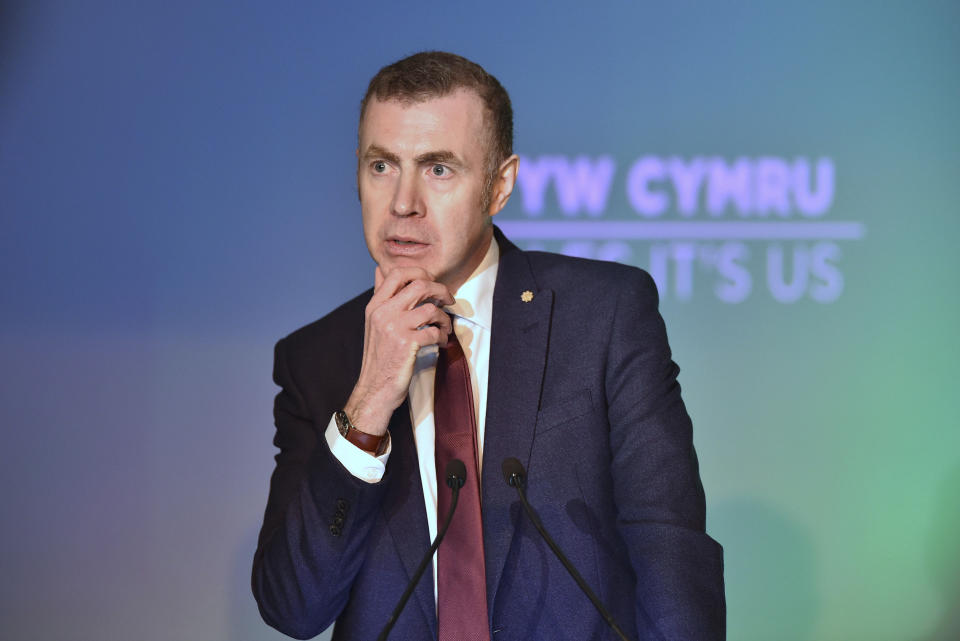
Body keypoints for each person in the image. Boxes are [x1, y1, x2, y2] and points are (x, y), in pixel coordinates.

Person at [252, 51, 725, 641]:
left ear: (500, 186)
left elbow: (668, 545)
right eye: (381, 166)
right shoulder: (315, 359)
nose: (403, 202)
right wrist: (370, 400)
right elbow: (294, 608)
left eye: (438, 169)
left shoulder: (603, 314)